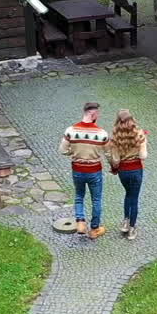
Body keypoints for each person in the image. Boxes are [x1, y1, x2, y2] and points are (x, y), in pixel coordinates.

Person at [58, 101, 109, 238]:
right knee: (96, 199)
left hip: (77, 170)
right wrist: (115, 166)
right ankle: (94, 229)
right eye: (98, 113)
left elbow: (62, 150)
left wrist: (73, 153)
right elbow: (109, 153)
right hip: (94, 171)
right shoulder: (102, 133)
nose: (98, 116)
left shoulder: (71, 130)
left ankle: (80, 222)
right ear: (93, 114)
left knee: (79, 196)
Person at [108, 109, 147, 241]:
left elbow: (116, 160)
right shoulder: (140, 135)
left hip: (123, 172)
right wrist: (144, 144)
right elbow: (143, 155)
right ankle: (132, 228)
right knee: (134, 198)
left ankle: (125, 221)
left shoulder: (115, 138)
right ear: (132, 119)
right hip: (136, 170)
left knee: (128, 194)